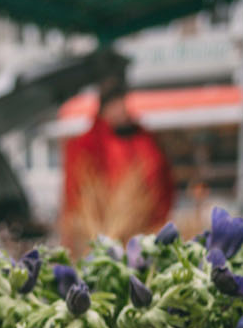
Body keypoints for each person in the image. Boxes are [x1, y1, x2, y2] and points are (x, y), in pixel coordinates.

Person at [61, 74, 175, 253]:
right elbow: (75, 193)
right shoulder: (86, 145)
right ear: (103, 109)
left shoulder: (144, 140)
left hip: (144, 229)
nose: (120, 110)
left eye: (122, 103)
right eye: (114, 105)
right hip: (102, 231)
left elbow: (163, 180)